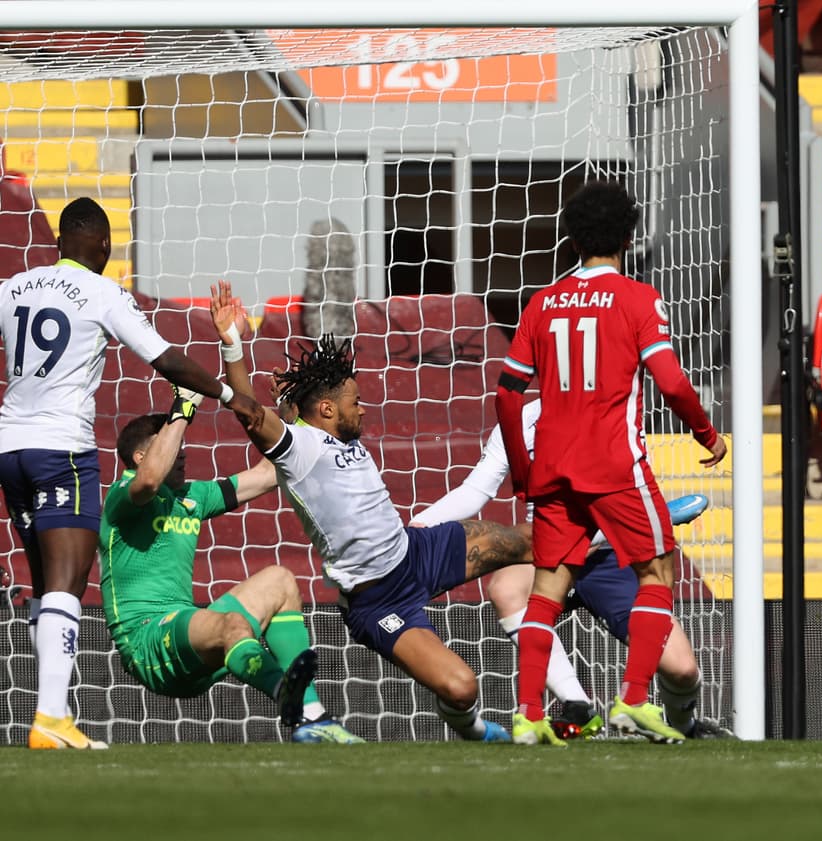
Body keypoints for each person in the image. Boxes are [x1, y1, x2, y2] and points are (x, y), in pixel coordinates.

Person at [0, 197, 263, 750]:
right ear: (102, 246)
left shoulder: (14, 288)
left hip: (9, 447)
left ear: (58, 243)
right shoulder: (103, 292)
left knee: (45, 583)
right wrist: (227, 394)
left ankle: (54, 714)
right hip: (60, 449)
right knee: (69, 583)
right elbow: (167, 360)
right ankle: (50, 717)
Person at [495, 180, 727, 745]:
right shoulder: (638, 299)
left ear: (572, 238)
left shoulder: (542, 302)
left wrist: (524, 470)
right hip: (615, 467)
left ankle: (528, 714)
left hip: (552, 468)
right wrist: (706, 433)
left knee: (547, 589)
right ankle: (633, 701)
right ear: (628, 235)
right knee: (658, 571)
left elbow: (506, 394)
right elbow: (669, 379)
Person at [229, 317, 536, 743]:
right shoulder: (299, 449)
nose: (364, 407)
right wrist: (231, 344)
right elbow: (249, 412)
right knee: (463, 688)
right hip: (378, 600)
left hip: (417, 552)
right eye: (356, 400)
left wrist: (291, 392)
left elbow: (286, 407)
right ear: (328, 409)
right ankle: (475, 730)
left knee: (533, 541)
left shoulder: (336, 431)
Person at [98, 283, 361, 743]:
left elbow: (265, 473)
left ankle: (314, 719)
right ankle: (289, 698)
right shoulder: (124, 496)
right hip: (147, 641)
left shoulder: (193, 498)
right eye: (169, 447)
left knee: (280, 579)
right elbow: (150, 480)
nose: (182, 454)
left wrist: (292, 409)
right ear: (141, 455)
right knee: (230, 624)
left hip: (190, 640)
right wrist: (184, 405)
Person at [409, 397, 734, 740]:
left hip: (610, 557)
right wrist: (419, 526)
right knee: (506, 587)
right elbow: (475, 490)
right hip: (549, 554)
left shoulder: (615, 413)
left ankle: (686, 730)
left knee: (682, 670)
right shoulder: (522, 420)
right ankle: (578, 706)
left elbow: (629, 504)